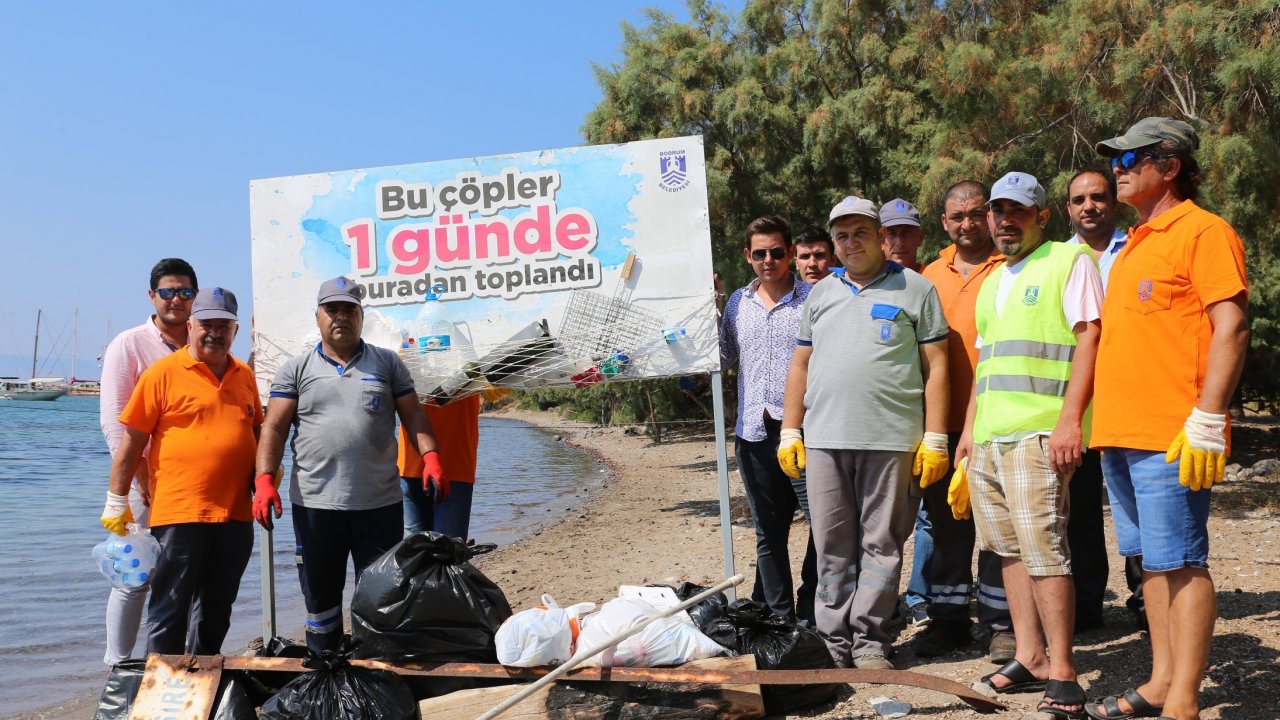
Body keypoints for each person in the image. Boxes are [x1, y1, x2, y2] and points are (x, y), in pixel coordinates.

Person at [1085, 118, 1248, 720]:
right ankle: (1160, 681)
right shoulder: (1133, 242)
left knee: (1182, 561)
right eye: (1117, 159)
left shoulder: (1204, 232)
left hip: (1173, 434)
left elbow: (1231, 325)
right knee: (1151, 564)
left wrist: (1208, 417)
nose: (1118, 168)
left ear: (1170, 165)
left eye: (1130, 158)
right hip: (1122, 433)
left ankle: (1184, 700)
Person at [951, 172, 1102, 718]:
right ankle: (1029, 655)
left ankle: (1063, 670)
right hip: (991, 439)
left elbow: (1091, 340)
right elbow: (985, 367)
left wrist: (1069, 423)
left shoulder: (1068, 261)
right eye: (998, 211)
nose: (1004, 220)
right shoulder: (994, 280)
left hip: (1038, 434)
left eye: (1018, 211)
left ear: (1042, 216)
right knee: (1006, 552)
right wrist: (969, 435)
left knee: (1044, 549)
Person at [779, 196, 949, 669]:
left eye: (860, 233)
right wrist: (790, 430)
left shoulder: (916, 289)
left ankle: (871, 643)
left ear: (880, 236)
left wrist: (935, 437)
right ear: (833, 244)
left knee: (882, 544)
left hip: (892, 439)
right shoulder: (821, 293)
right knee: (832, 545)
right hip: (825, 440)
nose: (851, 243)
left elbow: (937, 366)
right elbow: (800, 364)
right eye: (841, 236)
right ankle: (834, 645)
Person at [253, 276, 446, 652]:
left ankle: (374, 674)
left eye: (349, 309)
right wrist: (264, 480)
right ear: (318, 317)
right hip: (315, 506)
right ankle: (324, 666)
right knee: (320, 599)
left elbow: (414, 417)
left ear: (361, 316)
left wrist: (431, 457)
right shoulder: (295, 369)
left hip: (379, 505)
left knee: (380, 597)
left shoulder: (387, 364)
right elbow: (273, 428)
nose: (340, 316)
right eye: (332, 309)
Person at [101, 287, 260, 655]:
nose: (214, 332)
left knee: (218, 606)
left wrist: (266, 473)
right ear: (191, 326)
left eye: (224, 325)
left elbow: (256, 430)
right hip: (179, 512)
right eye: (207, 324)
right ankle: (163, 684)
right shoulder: (161, 374)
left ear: (235, 330)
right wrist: (116, 500)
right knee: (170, 606)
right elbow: (131, 443)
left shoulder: (245, 376)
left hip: (236, 512)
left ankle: (202, 680)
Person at [911, 181, 1016, 663]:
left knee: (996, 526)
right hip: (940, 424)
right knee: (947, 527)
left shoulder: (1015, 267)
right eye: (958, 217)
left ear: (991, 216)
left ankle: (1001, 625)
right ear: (944, 222)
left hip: (999, 420)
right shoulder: (929, 274)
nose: (968, 224)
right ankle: (948, 622)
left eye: (977, 214)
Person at [97, 257, 198, 665]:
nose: (176, 300)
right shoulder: (129, 343)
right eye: (168, 292)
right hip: (144, 485)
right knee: (133, 577)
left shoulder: (202, 339)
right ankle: (118, 665)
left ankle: (172, 661)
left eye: (185, 292)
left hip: (190, 484)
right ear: (152, 295)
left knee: (182, 577)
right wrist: (138, 479)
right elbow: (114, 422)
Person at [720, 215, 817, 625]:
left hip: (806, 431)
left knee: (822, 526)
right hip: (754, 432)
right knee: (768, 533)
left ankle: (812, 607)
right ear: (748, 256)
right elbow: (723, 358)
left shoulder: (814, 298)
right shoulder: (737, 304)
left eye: (777, 252)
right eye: (759, 253)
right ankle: (781, 618)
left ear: (790, 253)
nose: (769, 260)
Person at [1063, 169, 1126, 632]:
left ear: (1114, 202)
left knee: (1135, 507)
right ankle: (1086, 606)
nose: (1089, 206)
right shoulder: (1058, 261)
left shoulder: (1139, 250)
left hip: (1132, 400)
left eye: (1098, 197)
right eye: (1079, 199)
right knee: (1079, 513)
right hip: (1079, 410)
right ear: (1067, 209)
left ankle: (1148, 601)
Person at [398, 393, 481, 539]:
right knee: (413, 552)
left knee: (448, 551)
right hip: (410, 466)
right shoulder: (404, 370)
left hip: (456, 465)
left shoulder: (477, 371)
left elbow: (495, 390)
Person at [880, 199, 925, 271]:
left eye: (906, 233)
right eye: (892, 234)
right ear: (880, 240)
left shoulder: (934, 278)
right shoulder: (868, 281)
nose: (899, 243)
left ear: (920, 238)